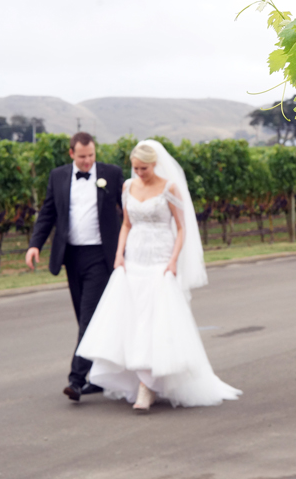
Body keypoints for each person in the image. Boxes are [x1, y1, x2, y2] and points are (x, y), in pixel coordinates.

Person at [75, 140, 241, 410]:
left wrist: (173, 260)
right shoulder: (129, 187)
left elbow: (182, 227)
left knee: (156, 320)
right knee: (132, 318)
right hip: (135, 257)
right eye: (135, 168)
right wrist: (119, 254)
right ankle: (135, 379)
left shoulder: (169, 187)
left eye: (144, 168)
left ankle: (148, 385)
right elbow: (127, 223)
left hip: (160, 257)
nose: (139, 173)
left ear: (155, 164)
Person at [25, 132, 125, 401]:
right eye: (82, 157)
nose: (87, 161)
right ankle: (100, 376)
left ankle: (76, 379)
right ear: (71, 154)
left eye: (91, 156)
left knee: (89, 318)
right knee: (86, 318)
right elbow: (48, 212)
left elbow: (129, 210)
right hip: (71, 257)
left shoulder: (112, 174)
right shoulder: (58, 176)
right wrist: (35, 244)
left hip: (101, 257)